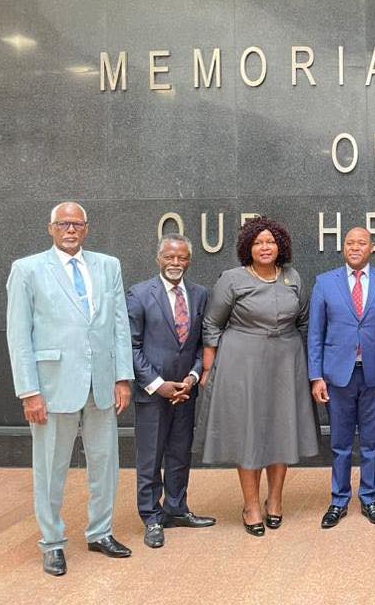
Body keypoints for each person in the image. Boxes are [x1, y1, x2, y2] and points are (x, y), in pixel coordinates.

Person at [6, 201, 135, 576]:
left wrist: (122, 377)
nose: (70, 230)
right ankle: (52, 542)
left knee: (105, 464)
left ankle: (101, 532)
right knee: (50, 468)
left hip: (102, 383)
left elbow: (120, 326)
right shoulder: (28, 269)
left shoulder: (108, 266)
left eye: (77, 224)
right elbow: (19, 335)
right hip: (52, 386)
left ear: (86, 228)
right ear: (51, 228)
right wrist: (29, 391)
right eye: (63, 224)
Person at [199, 216, 319, 536]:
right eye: (257, 242)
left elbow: (304, 321)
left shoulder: (292, 276)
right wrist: (208, 368)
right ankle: (251, 505)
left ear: (280, 246)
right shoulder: (232, 279)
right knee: (248, 432)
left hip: (286, 363)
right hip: (243, 362)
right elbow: (212, 323)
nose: (265, 247)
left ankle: (274, 500)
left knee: (282, 430)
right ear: (247, 247)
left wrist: (307, 365)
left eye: (270, 241)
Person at [127, 234, 216, 549]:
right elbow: (131, 346)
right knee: (150, 457)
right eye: (169, 257)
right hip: (152, 393)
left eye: (182, 257)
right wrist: (157, 384)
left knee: (180, 453)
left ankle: (176, 508)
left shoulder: (200, 294)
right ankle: (152, 516)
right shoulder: (139, 294)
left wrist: (192, 377)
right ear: (159, 258)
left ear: (189, 260)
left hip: (185, 391)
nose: (175, 262)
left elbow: (202, 343)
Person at [309, 227, 375, 529]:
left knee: (372, 442)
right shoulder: (325, 282)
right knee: (340, 442)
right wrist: (316, 376)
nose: (355, 247)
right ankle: (339, 500)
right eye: (350, 243)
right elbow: (315, 333)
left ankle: (370, 498)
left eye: (362, 243)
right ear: (343, 247)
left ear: (372, 248)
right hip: (337, 376)